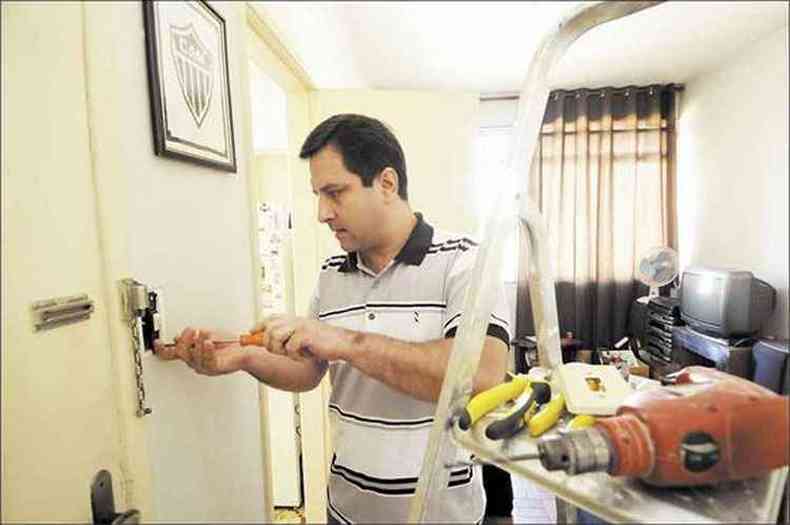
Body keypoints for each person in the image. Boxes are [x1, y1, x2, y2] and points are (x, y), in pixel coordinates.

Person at [154, 114, 512, 523]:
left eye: (335, 193)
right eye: (318, 195)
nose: (322, 213)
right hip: (346, 511)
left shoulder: (466, 261)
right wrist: (240, 357)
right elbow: (309, 369)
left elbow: (480, 375)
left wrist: (343, 340)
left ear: (387, 184)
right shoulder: (332, 273)